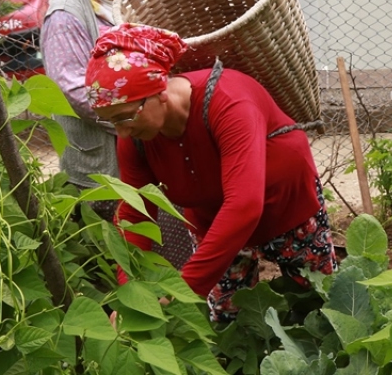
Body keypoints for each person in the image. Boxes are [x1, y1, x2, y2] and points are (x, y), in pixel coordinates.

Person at [85, 23, 336, 322]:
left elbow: (243, 206)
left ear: (158, 91)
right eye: (111, 122)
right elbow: (135, 214)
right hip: (215, 223)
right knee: (226, 321)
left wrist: (180, 293)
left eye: (124, 117)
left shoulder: (228, 100)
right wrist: (133, 297)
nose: (121, 131)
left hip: (284, 206)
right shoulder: (135, 139)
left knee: (320, 305)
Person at [41, 0, 194, 267]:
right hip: (104, 155)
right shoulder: (66, 15)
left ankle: (177, 299)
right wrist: (132, 117)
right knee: (120, 242)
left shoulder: (123, 2)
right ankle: (133, 306)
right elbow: (71, 88)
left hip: (144, 137)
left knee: (165, 228)